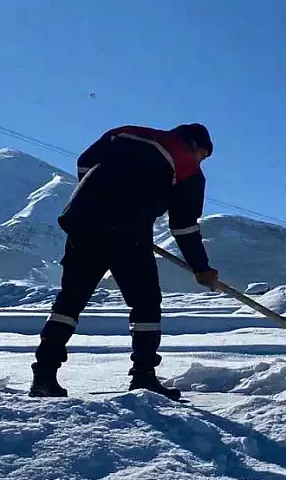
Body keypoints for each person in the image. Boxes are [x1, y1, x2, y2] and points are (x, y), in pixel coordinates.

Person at [30, 123, 220, 400]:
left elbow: (84, 161)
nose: (201, 161)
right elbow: (184, 227)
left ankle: (44, 376)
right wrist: (201, 269)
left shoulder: (126, 133)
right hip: (128, 231)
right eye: (203, 155)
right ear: (194, 145)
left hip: (82, 220)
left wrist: (99, 201)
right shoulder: (188, 167)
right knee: (145, 303)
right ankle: (143, 376)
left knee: (70, 300)